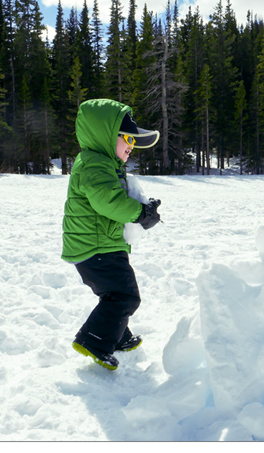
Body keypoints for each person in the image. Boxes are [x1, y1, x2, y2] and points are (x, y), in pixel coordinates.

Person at [62, 98, 162, 370]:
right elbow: (108, 202)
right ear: (105, 135)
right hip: (95, 248)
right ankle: (94, 340)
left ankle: (117, 334)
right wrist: (140, 213)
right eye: (126, 138)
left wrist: (144, 206)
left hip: (102, 245)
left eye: (133, 141)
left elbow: (115, 198)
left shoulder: (103, 164)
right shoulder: (94, 164)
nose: (131, 146)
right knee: (124, 296)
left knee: (115, 292)